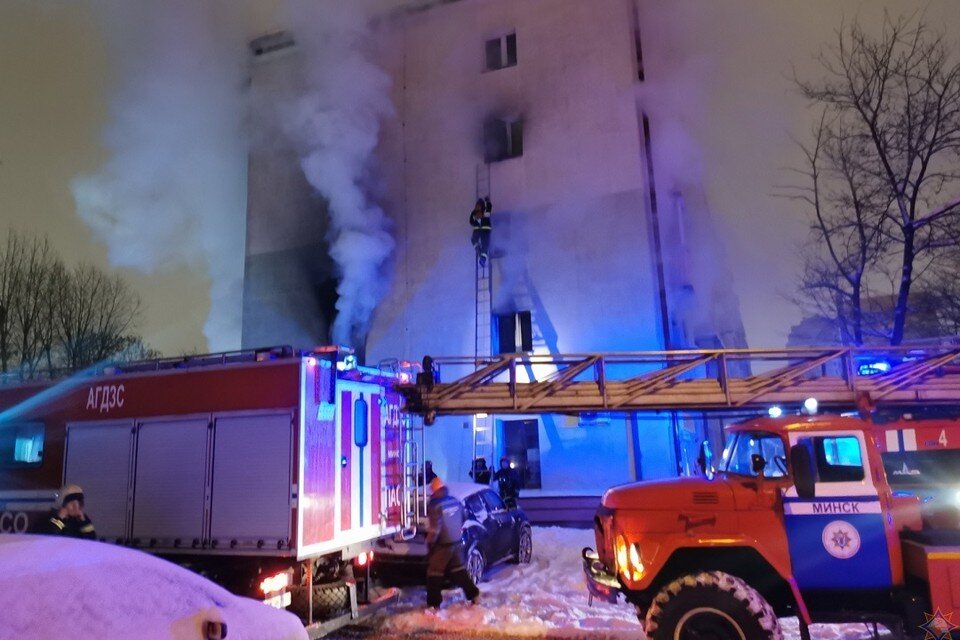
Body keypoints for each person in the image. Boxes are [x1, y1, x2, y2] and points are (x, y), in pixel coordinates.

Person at [425, 477, 480, 609]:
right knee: (459, 570)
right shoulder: (454, 501)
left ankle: (434, 604)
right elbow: (464, 516)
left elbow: (436, 527)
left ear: (433, 489)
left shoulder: (435, 504)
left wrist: (430, 541)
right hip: (456, 543)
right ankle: (474, 595)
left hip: (442, 544)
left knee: (434, 574)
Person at [469, 197, 492, 266]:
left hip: (477, 229)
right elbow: (488, 211)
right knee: (485, 244)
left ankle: (479, 251)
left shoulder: (474, 211)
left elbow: (471, 221)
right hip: (486, 228)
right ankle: (483, 259)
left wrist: (476, 224)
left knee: (474, 240)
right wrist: (487, 201)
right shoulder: (484, 208)